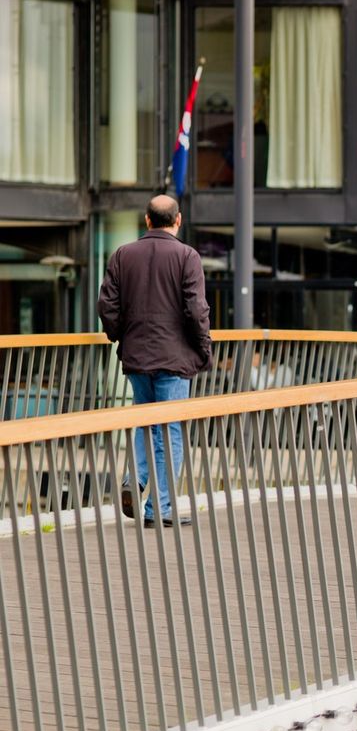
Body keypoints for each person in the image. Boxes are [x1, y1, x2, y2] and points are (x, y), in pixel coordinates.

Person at [97, 194, 212, 527]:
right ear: (178, 220)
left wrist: (120, 336)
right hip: (175, 361)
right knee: (170, 430)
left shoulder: (122, 255)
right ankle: (158, 509)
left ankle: (135, 480)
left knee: (146, 423)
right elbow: (196, 310)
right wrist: (204, 348)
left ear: (146, 221)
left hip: (136, 359)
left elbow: (107, 307)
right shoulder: (187, 256)